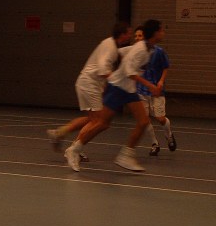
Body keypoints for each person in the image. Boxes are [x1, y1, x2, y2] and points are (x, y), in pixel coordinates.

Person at [63, 19, 165, 172]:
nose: (163, 33)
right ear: (155, 33)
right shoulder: (141, 50)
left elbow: (122, 53)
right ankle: (74, 149)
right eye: (161, 30)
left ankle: (126, 156)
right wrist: (151, 86)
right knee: (101, 123)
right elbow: (130, 73)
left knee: (143, 122)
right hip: (118, 87)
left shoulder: (148, 48)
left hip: (128, 89)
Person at [47, 22, 132, 161]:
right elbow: (103, 70)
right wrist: (119, 82)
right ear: (122, 34)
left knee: (92, 119)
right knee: (100, 121)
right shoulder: (110, 47)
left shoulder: (111, 45)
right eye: (129, 33)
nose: (130, 36)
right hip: (89, 84)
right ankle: (74, 149)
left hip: (89, 84)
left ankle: (60, 133)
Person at [135, 25, 176, 156]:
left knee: (160, 118)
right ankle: (154, 144)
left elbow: (166, 66)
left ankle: (169, 135)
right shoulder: (135, 52)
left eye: (140, 36)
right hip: (141, 90)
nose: (137, 38)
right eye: (136, 36)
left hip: (156, 90)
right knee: (144, 119)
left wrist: (161, 81)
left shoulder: (158, 51)